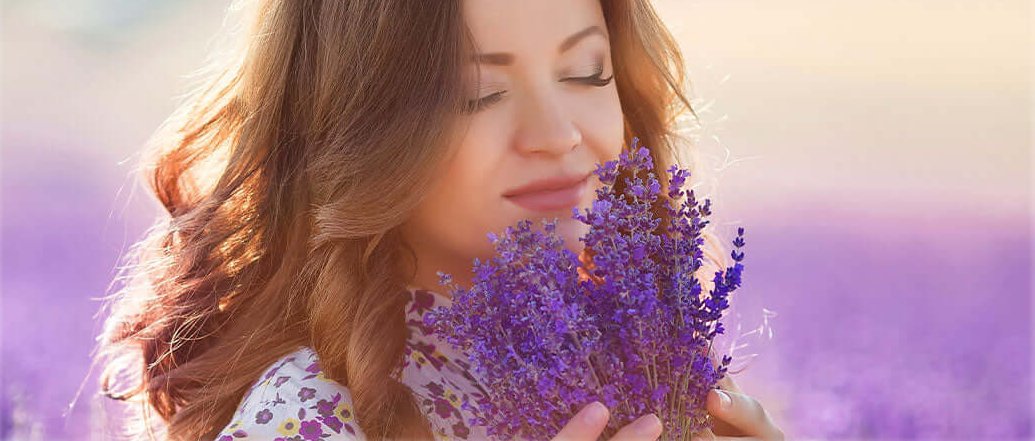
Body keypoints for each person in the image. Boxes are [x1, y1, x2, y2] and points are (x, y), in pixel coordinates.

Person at [93, 0, 785, 440]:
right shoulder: (307, 413)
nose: (555, 133)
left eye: (584, 74)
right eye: (477, 94)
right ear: (359, 134)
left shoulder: (637, 373)